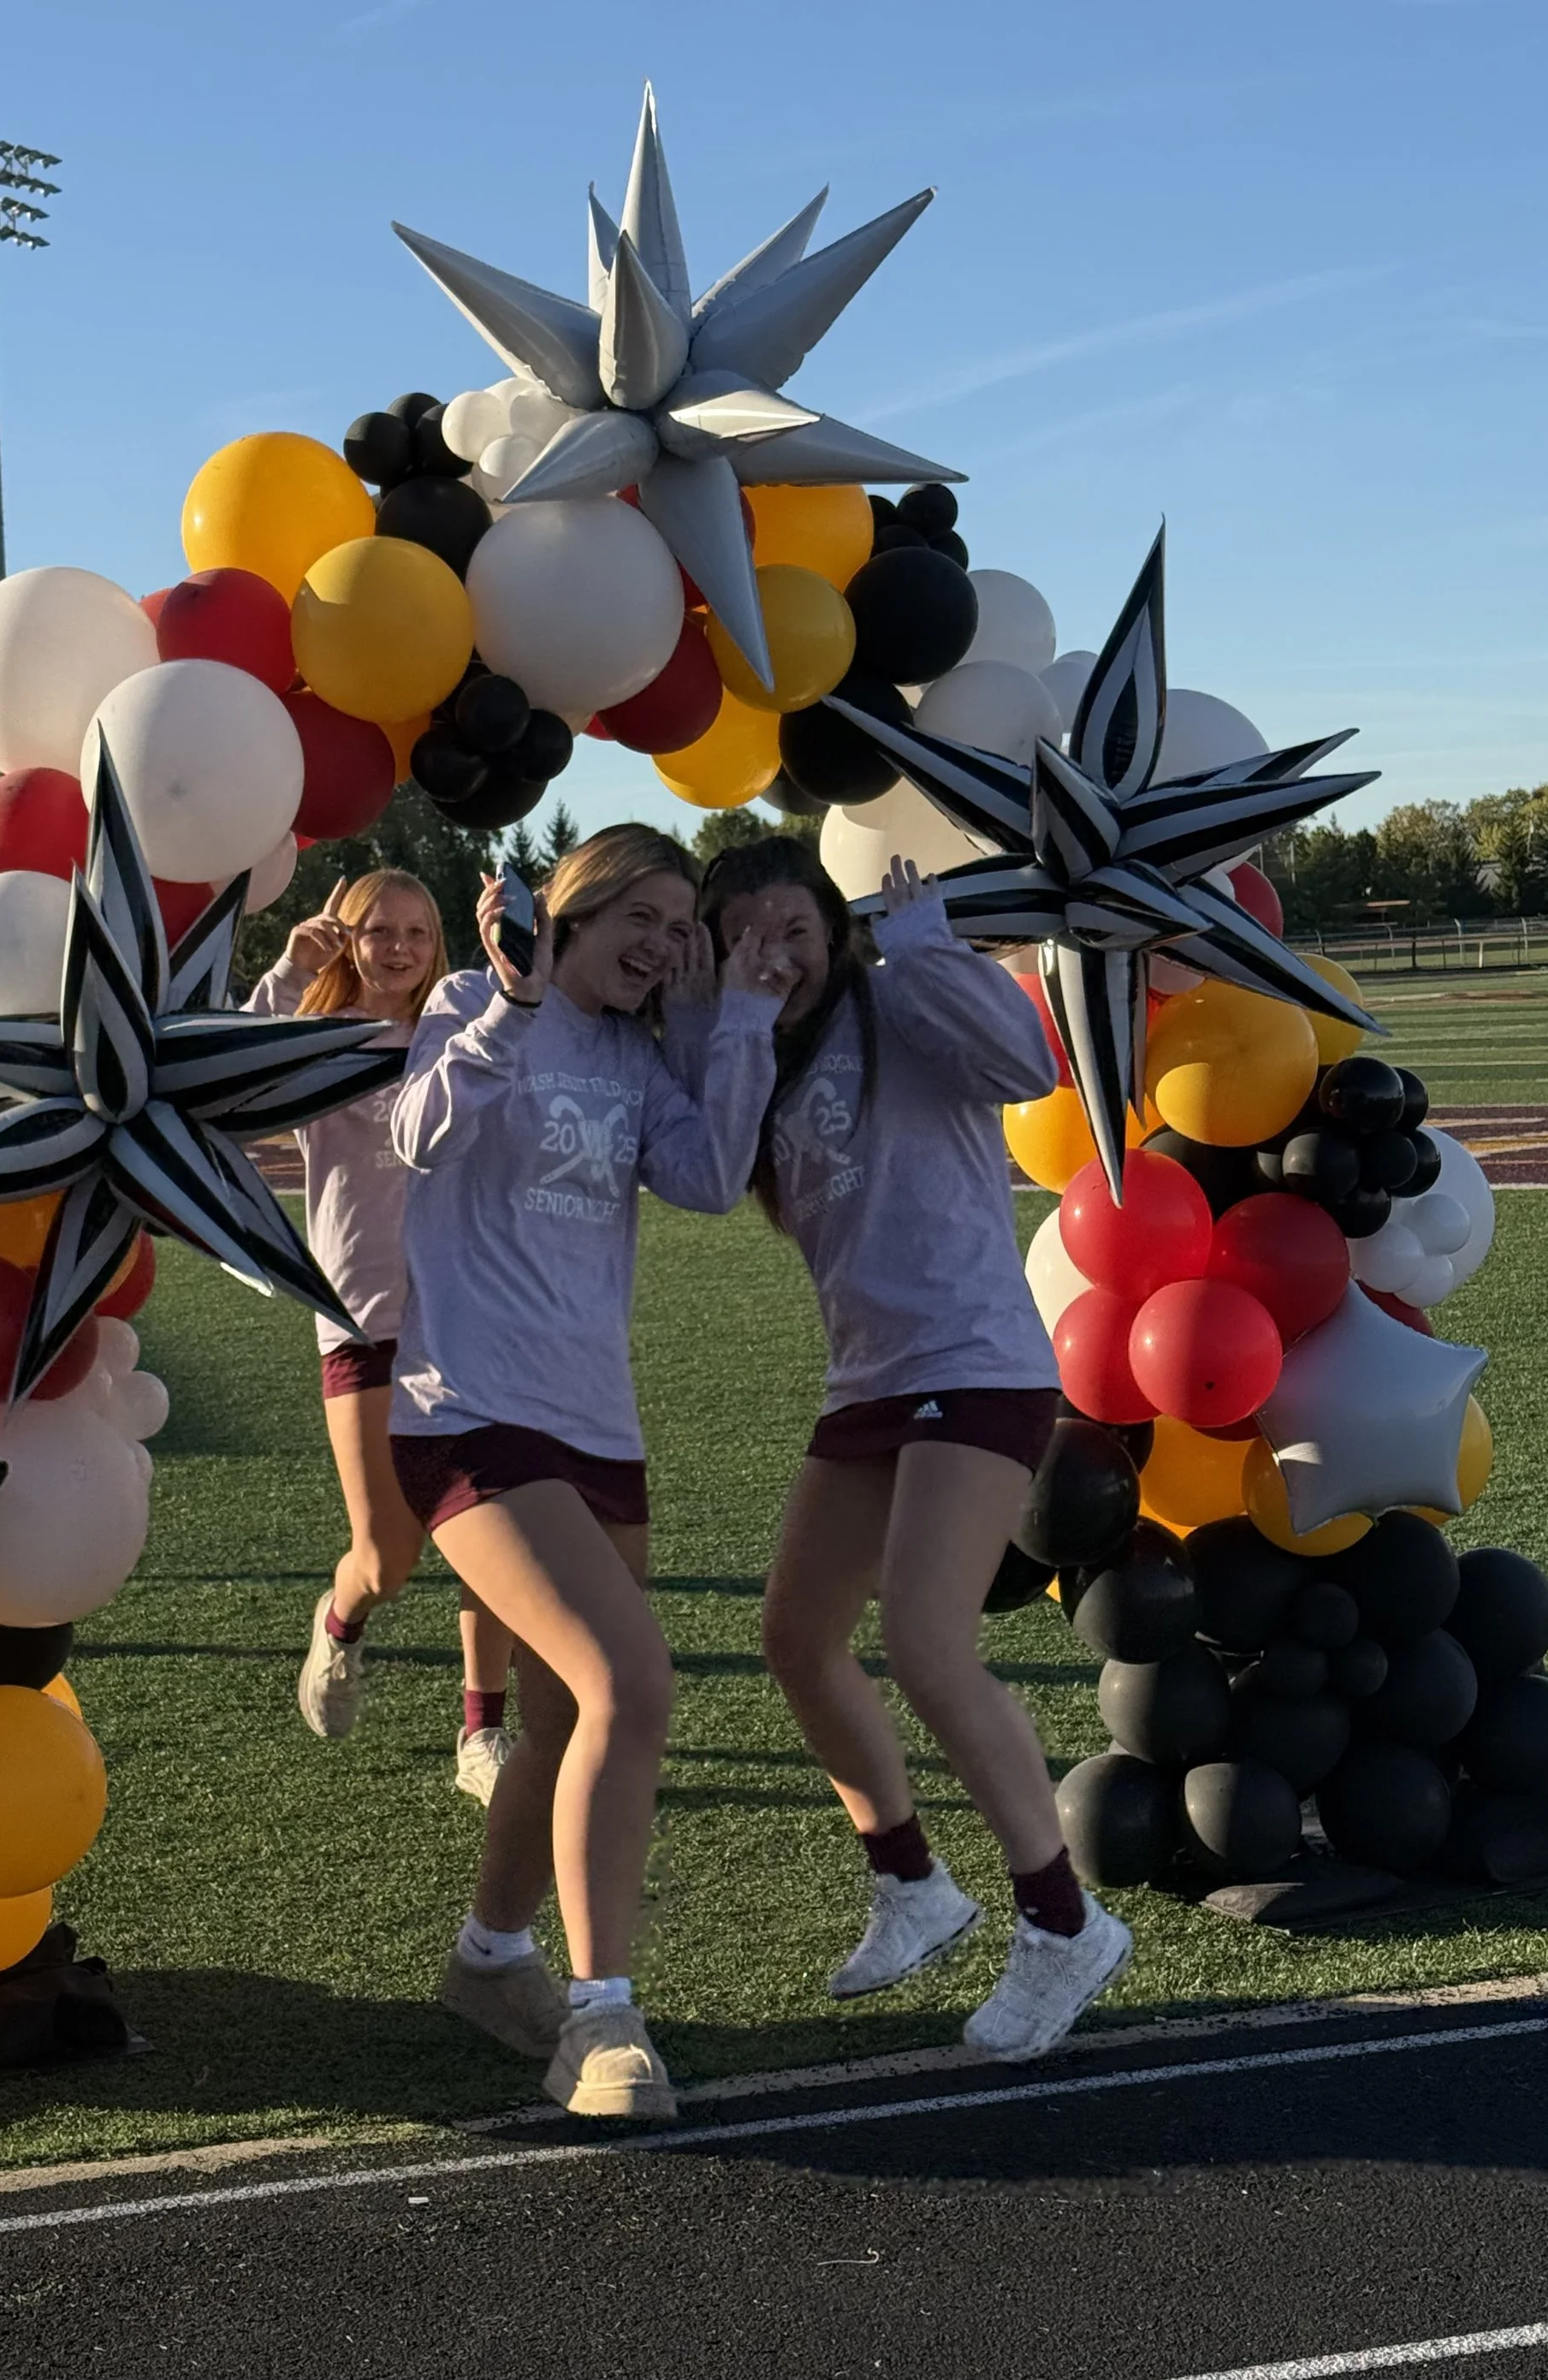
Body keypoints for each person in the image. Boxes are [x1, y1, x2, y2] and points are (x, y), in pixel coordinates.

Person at [695, 834, 1131, 2065]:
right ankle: (912, 1886)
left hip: (977, 1366)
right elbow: (709, 1168)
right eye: (748, 936)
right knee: (794, 1636)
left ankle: (1063, 1922)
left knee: (927, 1642)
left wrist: (928, 947)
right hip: (873, 1383)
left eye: (794, 930)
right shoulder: (760, 1053)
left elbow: (1021, 1060)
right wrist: (734, 1013)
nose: (774, 955)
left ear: (835, 932)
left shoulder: (894, 1000)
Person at [390, 824, 795, 2122]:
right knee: (630, 1679)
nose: (665, 947)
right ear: (581, 905)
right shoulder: (471, 1000)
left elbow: (709, 1178)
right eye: (651, 918)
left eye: (683, 931)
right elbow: (415, 1134)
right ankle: (601, 2017)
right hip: (468, 1412)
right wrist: (509, 1001)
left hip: (596, 1426)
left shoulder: (638, 1053)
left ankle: (488, 1959)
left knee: (570, 1712)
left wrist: (730, 1019)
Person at [247, 870, 519, 1805]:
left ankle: (481, 1733)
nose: (397, 947)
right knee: (387, 1558)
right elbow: (236, 1071)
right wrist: (290, 971)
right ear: (346, 938)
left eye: (414, 930)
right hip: (360, 1321)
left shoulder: (456, 1034)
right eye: (376, 931)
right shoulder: (322, 1040)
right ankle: (339, 1619)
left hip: (462, 1324)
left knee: (491, 1539)